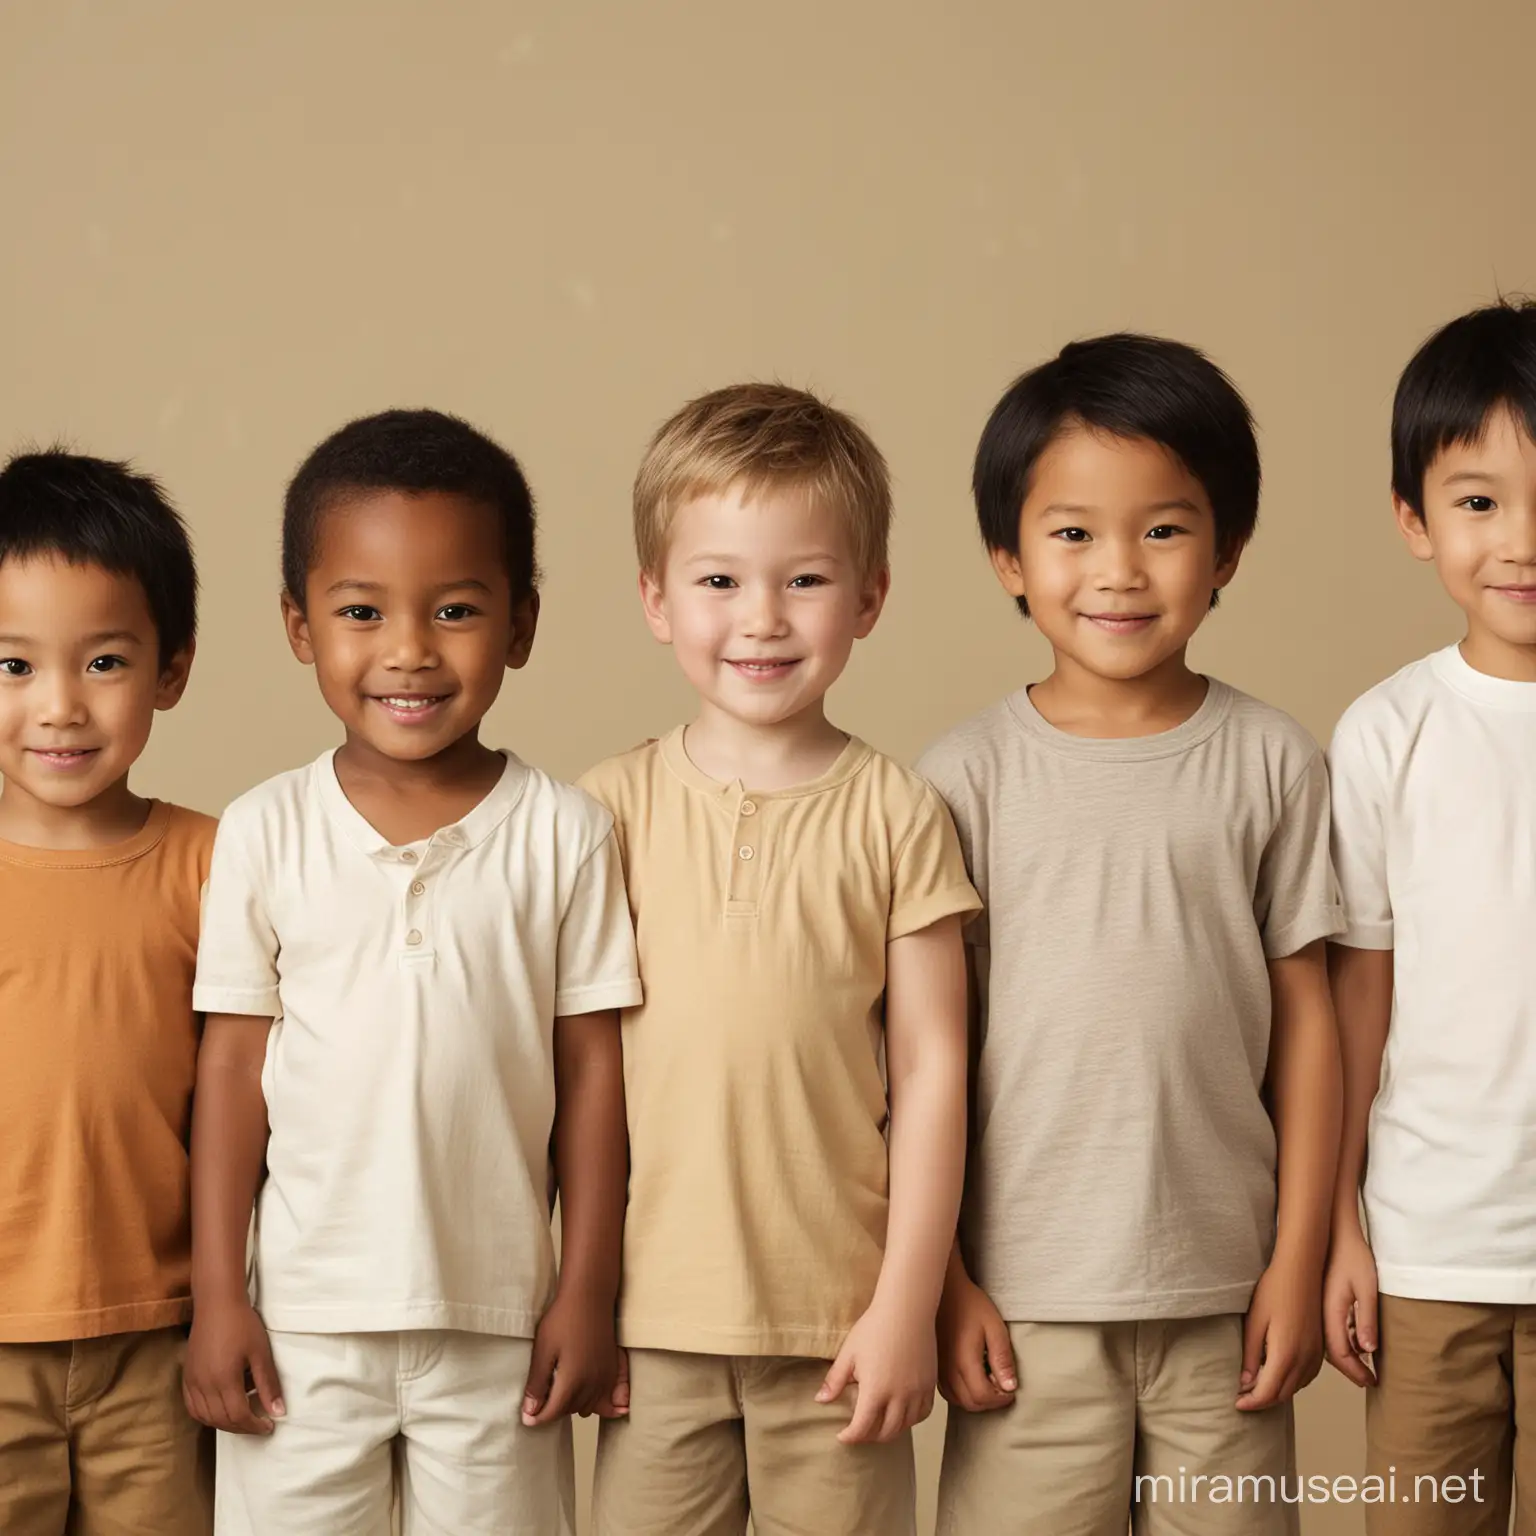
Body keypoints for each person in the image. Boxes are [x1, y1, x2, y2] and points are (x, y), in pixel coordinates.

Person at [183, 409, 641, 1535]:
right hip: (300, 1325)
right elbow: (231, 1076)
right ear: (300, 626)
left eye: (455, 610)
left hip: (498, 1326)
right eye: (360, 612)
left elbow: (591, 1078)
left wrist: (587, 1289)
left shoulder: (564, 833)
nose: (408, 651)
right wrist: (217, 1297)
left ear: (521, 623)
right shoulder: (264, 830)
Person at [917, 334, 1344, 1535]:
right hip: (1025, 1306)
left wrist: (1298, 1260)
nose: (1119, 571)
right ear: (1009, 555)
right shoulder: (962, 779)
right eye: (1072, 534)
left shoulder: (1273, 760)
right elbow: (917, 1063)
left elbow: (1307, 1021)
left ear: (1228, 552)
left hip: (1226, 1296)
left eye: (1163, 529)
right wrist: (946, 1283)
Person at [581, 382, 978, 1536]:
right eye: (719, 581)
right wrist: (583, 1293)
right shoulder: (603, 813)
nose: (762, 619)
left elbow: (936, 1072)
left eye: (803, 580)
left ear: (870, 599)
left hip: (839, 1328)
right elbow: (576, 1082)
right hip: (650, 1328)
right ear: (657, 600)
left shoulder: (899, 812)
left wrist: (907, 1303)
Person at [1324, 298, 1536, 1536]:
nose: (1521, 539)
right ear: (1415, 519)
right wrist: (1343, 1224)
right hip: (1425, 1259)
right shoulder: (1387, 734)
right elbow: (1360, 997)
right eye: (1479, 502)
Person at [0, 449, 214, 1535]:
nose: (60, 707)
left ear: (170, 669)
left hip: (158, 1338)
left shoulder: (216, 864)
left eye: (104, 662)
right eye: (14, 666)